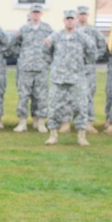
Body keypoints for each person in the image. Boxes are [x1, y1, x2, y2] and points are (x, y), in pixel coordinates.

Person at [43, 9, 97, 146]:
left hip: (77, 78)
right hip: (58, 78)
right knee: (54, 107)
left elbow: (92, 53)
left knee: (80, 107)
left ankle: (81, 136)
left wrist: (82, 67)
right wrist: (55, 66)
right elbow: (45, 53)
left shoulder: (83, 37)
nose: (70, 21)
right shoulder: (55, 36)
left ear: (76, 20)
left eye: (72, 19)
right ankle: (53, 135)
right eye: (67, 19)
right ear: (63, 20)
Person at [11, 3, 53, 132]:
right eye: (33, 12)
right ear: (30, 13)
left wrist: (47, 59)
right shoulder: (23, 29)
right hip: (26, 68)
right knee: (23, 96)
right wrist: (23, 57)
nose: (35, 14)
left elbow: (54, 46)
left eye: (38, 12)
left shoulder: (47, 29)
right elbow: (14, 45)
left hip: (41, 68)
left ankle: (40, 121)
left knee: (41, 96)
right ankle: (22, 122)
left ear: (41, 14)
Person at [76, 5, 105, 133]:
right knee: (70, 96)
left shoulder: (93, 31)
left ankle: (88, 122)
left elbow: (102, 46)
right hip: (73, 69)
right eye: (80, 14)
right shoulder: (72, 29)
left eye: (84, 14)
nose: (82, 16)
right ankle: (67, 121)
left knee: (88, 96)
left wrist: (93, 58)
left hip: (88, 70)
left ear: (87, 16)